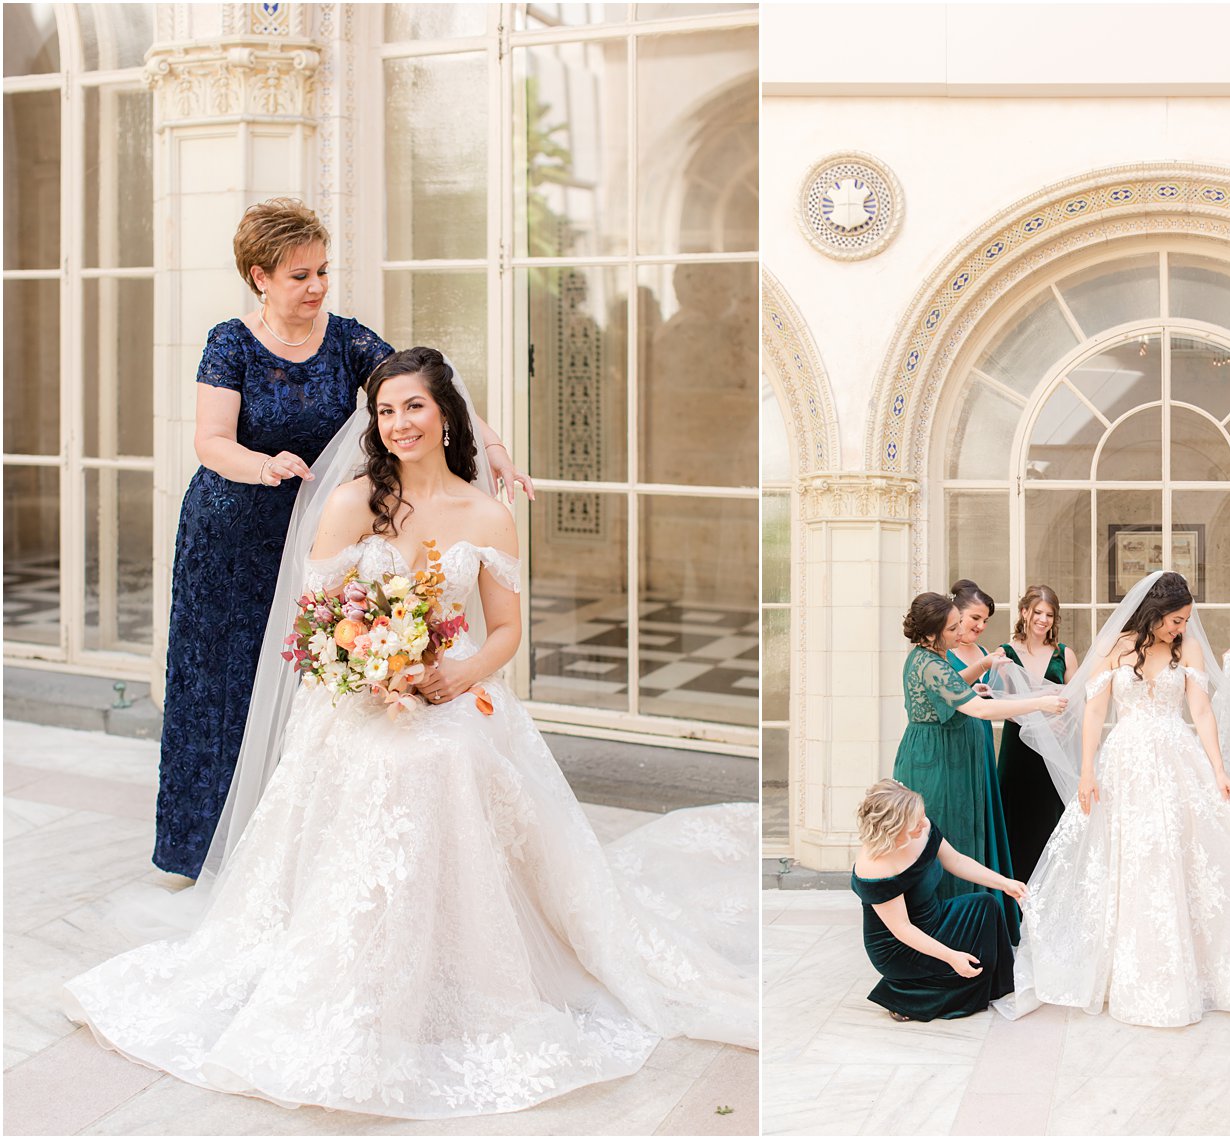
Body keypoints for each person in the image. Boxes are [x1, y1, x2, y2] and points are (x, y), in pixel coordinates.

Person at [64, 349, 754, 1118]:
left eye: (414, 408)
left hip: (453, 689)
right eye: (386, 411)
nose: (399, 425)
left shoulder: (488, 514)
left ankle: (461, 966)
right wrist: (369, 665)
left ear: (448, 414)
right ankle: (366, 972)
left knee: (449, 753)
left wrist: (460, 675)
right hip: (356, 700)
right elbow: (312, 624)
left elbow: (505, 631)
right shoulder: (354, 503)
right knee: (398, 765)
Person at [155, 198, 531, 879]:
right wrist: (262, 465)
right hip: (233, 533)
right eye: (300, 274)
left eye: (323, 270)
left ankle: (286, 843)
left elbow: (427, 387)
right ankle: (198, 846)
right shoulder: (230, 343)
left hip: (325, 530)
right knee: (220, 685)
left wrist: (495, 445)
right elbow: (210, 440)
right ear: (259, 276)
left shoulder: (350, 341)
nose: (318, 286)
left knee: (308, 679)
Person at [1006, 571, 1230, 1027]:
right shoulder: (1115, 647)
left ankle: (1208, 966)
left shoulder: (1187, 648)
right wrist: (1087, 770)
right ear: (1154, 613)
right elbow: (1094, 711)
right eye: (1175, 620)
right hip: (1125, 762)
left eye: (1185, 620)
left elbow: (1200, 710)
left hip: (1177, 759)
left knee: (1188, 856)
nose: (1181, 628)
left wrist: (1217, 768)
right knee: (1130, 857)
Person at [892, 593, 1065, 936]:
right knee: (943, 839)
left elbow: (955, 685)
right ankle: (947, 930)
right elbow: (981, 710)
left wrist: (980, 670)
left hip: (943, 755)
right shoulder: (931, 665)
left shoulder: (928, 658)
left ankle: (958, 925)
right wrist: (1038, 702)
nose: (960, 633)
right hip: (935, 762)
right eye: (953, 628)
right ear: (930, 634)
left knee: (955, 836)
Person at [851, 780, 1024, 1022]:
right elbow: (902, 928)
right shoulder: (876, 866)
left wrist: (1005, 883)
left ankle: (996, 986)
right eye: (915, 821)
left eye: (922, 815)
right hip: (898, 947)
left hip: (934, 917)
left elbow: (956, 861)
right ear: (894, 828)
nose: (924, 823)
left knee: (986, 904)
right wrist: (951, 956)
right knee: (963, 966)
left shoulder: (921, 828)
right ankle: (904, 996)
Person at [944, 579, 1018, 931]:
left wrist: (984, 690)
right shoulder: (943, 652)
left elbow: (976, 696)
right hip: (955, 744)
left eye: (985, 620)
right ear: (955, 613)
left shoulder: (982, 650)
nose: (980, 626)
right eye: (975, 617)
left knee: (982, 814)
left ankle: (989, 905)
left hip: (981, 737)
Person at [996, 585, 1079, 882]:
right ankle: (1013, 892)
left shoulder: (1064, 655)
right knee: (1014, 816)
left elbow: (1076, 701)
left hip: (1052, 752)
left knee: (1049, 818)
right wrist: (1037, 717)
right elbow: (997, 702)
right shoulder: (1004, 654)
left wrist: (1062, 718)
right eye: (1038, 613)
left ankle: (1049, 890)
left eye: (1049, 614)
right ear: (1024, 613)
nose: (1043, 620)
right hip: (1017, 749)